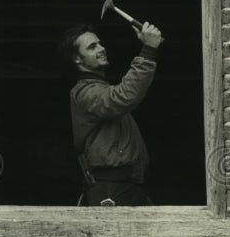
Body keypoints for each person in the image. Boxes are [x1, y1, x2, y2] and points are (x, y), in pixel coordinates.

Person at [57, 21, 164, 206]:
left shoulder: (99, 88)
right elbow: (123, 96)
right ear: (77, 59)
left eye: (99, 43)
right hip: (111, 187)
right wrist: (148, 50)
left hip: (125, 185)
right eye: (92, 47)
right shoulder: (85, 93)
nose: (101, 48)